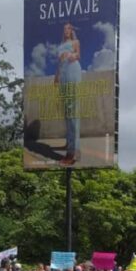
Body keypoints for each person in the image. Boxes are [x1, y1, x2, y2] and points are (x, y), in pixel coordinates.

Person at [55, 22, 82, 166]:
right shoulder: (60, 45)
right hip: (63, 73)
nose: (66, 30)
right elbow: (59, 63)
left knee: (73, 111)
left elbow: (78, 55)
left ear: (72, 30)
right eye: (64, 28)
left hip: (73, 70)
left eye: (69, 28)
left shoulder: (75, 41)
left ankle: (73, 153)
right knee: (67, 111)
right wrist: (56, 77)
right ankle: (70, 144)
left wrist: (72, 55)